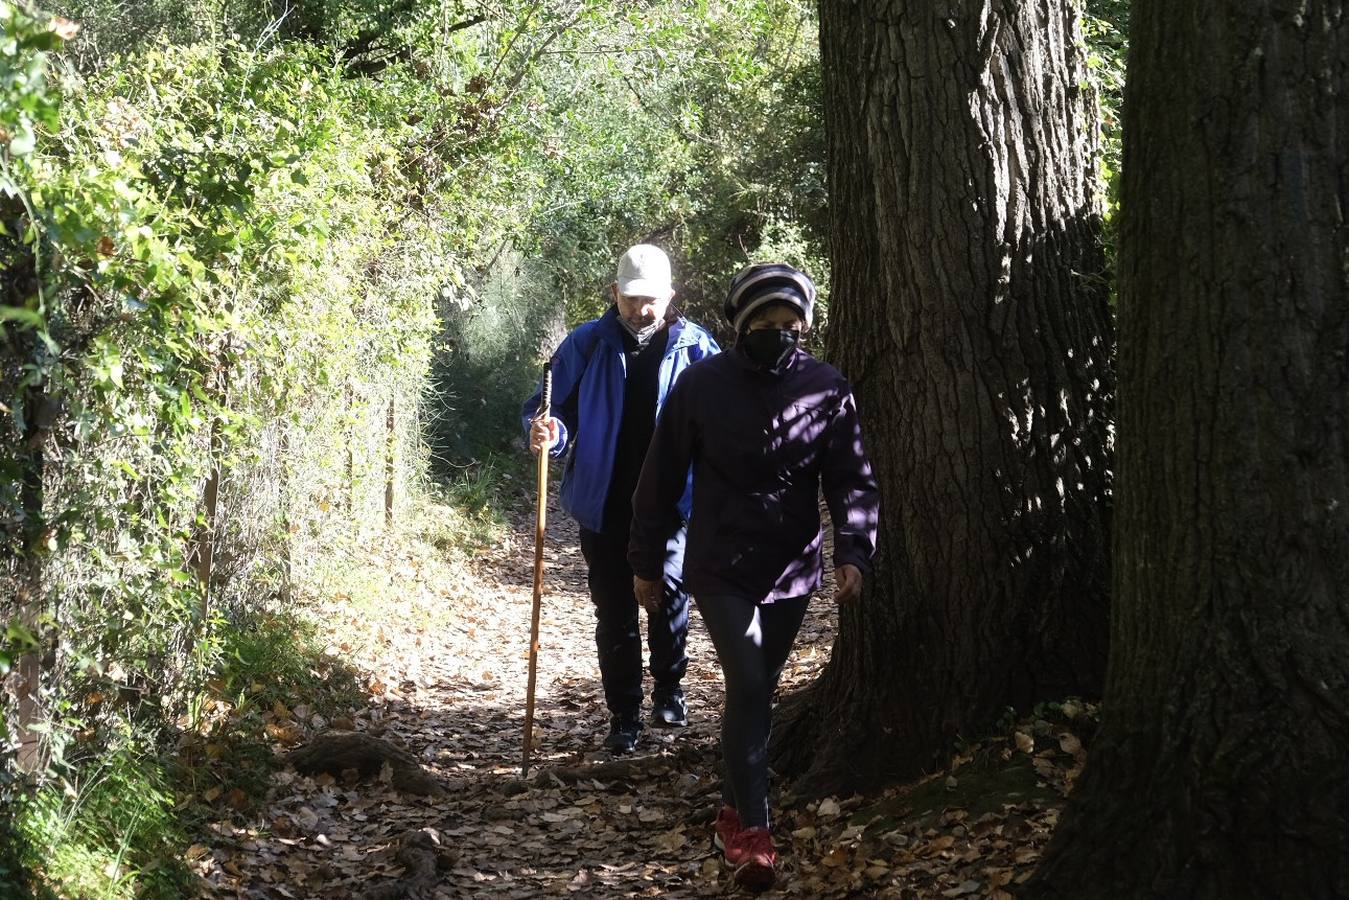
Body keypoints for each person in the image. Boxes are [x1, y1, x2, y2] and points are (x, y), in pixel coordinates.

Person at [628, 262, 879, 891]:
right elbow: (658, 481)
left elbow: (851, 476)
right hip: (718, 566)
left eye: (790, 323)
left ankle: (733, 813)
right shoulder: (702, 386)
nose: (778, 331)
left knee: (755, 695)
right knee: (745, 680)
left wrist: (855, 550)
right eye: (765, 322)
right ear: (742, 325)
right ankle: (757, 837)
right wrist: (645, 561)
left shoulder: (827, 387)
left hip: (792, 569)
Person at [522, 244, 720, 754]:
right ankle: (624, 715)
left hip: (673, 505)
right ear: (615, 294)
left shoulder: (697, 348)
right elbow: (549, 409)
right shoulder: (587, 344)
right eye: (631, 299)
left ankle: (669, 689)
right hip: (605, 502)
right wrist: (547, 432)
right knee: (614, 610)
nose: (641, 309)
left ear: (670, 296)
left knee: (669, 597)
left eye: (651, 299)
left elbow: (725, 420)